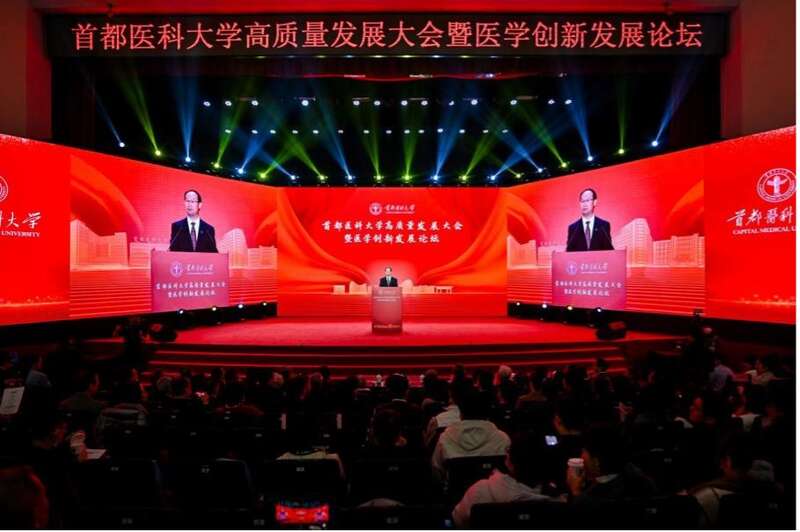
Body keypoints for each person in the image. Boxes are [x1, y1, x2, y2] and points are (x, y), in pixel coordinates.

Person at [452, 431, 557, 527]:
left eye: (509, 450)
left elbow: (457, 521)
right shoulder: (559, 499)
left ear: (510, 461)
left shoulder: (480, 490)